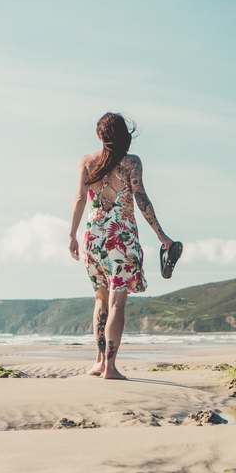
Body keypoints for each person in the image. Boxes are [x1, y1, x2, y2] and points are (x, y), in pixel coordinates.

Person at [68, 113, 175, 380]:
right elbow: (141, 198)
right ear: (124, 135)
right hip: (121, 238)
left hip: (93, 237)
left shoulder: (86, 162)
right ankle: (110, 367)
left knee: (100, 300)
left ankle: (98, 361)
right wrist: (161, 234)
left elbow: (80, 199)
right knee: (117, 305)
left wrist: (72, 235)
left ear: (99, 135)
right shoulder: (131, 163)